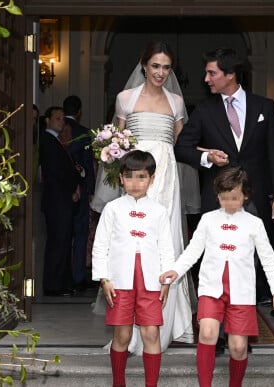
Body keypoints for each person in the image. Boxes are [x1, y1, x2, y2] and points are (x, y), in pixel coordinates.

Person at [174, 46, 274, 350]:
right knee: (216, 258)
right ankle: (220, 331)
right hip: (217, 198)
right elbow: (181, 148)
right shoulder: (205, 110)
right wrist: (208, 157)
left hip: (256, 197)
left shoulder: (264, 106)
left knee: (247, 262)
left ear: (230, 74)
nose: (206, 78)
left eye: (212, 73)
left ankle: (240, 328)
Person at [93, 41, 194, 354]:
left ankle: (169, 322)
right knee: (133, 239)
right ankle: (131, 327)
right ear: (144, 66)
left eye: (166, 67)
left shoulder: (177, 102)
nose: (160, 72)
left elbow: (178, 142)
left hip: (166, 175)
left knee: (166, 242)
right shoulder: (126, 98)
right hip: (136, 174)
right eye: (155, 66)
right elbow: (116, 142)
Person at [159, 166, 274, 387]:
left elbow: (268, 258)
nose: (228, 203)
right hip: (211, 289)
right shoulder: (208, 220)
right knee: (208, 333)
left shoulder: (254, 224)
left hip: (242, 293)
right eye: (223, 198)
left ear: (245, 196)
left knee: (238, 347)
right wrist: (176, 270)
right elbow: (193, 251)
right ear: (217, 195)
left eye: (234, 198)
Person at [92, 150, 173, 387]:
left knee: (151, 334)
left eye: (141, 177)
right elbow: (100, 247)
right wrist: (104, 279)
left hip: (151, 279)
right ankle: (119, 382)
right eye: (129, 177)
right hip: (120, 281)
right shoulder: (113, 209)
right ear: (120, 179)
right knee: (122, 335)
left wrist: (166, 281)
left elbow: (166, 249)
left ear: (152, 178)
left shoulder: (159, 211)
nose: (135, 183)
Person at [38, 106, 82, 296]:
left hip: (62, 198)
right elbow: (56, 171)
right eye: (57, 118)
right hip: (57, 199)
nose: (61, 122)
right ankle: (53, 284)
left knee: (64, 241)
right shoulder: (47, 141)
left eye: (63, 119)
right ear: (47, 120)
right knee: (58, 242)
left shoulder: (55, 141)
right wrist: (73, 182)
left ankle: (62, 282)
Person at [62, 95, 95, 293]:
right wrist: (89, 190)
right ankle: (78, 277)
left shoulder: (57, 130)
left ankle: (64, 275)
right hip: (80, 189)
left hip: (60, 190)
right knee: (80, 233)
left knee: (63, 234)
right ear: (79, 111)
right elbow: (88, 164)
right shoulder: (83, 133)